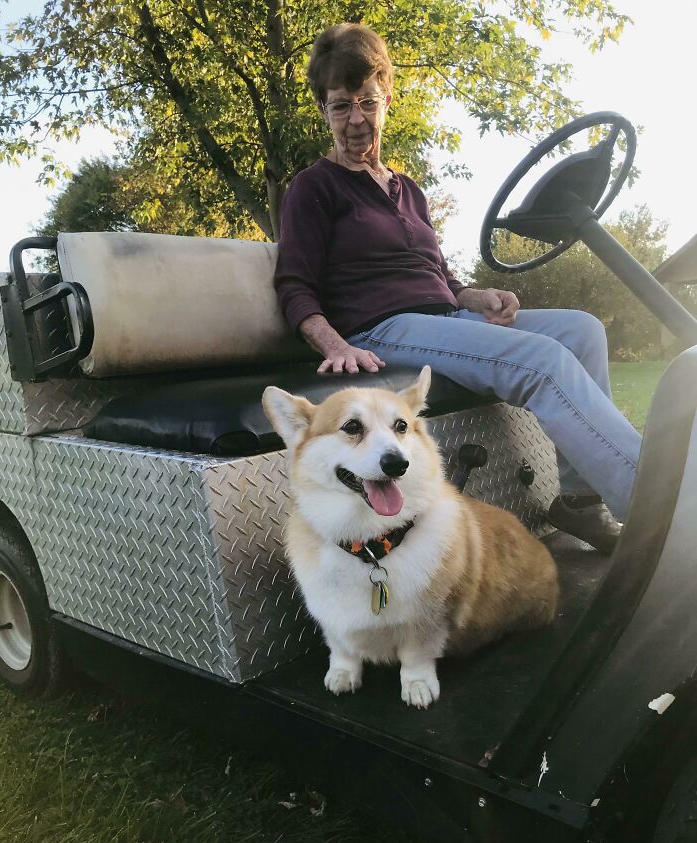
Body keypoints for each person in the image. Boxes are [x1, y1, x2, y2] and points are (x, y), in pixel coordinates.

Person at [274, 23, 642, 553]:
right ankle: (667, 509)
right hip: (384, 328)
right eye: (340, 106)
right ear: (324, 111)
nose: (356, 119)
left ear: (387, 99)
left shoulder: (409, 190)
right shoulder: (315, 187)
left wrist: (475, 297)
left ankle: (580, 503)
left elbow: (438, 275)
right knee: (541, 361)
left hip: (447, 319)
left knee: (582, 330)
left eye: (367, 101)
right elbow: (294, 285)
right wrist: (336, 346)